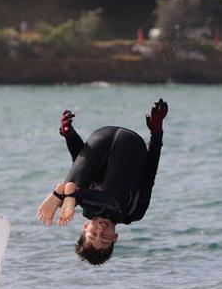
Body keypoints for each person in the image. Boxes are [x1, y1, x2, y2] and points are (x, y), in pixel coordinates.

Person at [36, 99, 168, 265]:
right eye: (105, 238)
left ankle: (64, 193)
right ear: (115, 237)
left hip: (101, 140)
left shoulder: (87, 202)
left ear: (85, 227)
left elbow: (81, 161)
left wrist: (69, 135)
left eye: (93, 234)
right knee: (112, 206)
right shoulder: (135, 212)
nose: (101, 230)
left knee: (87, 198)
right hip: (130, 146)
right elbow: (149, 176)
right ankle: (64, 194)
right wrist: (157, 132)